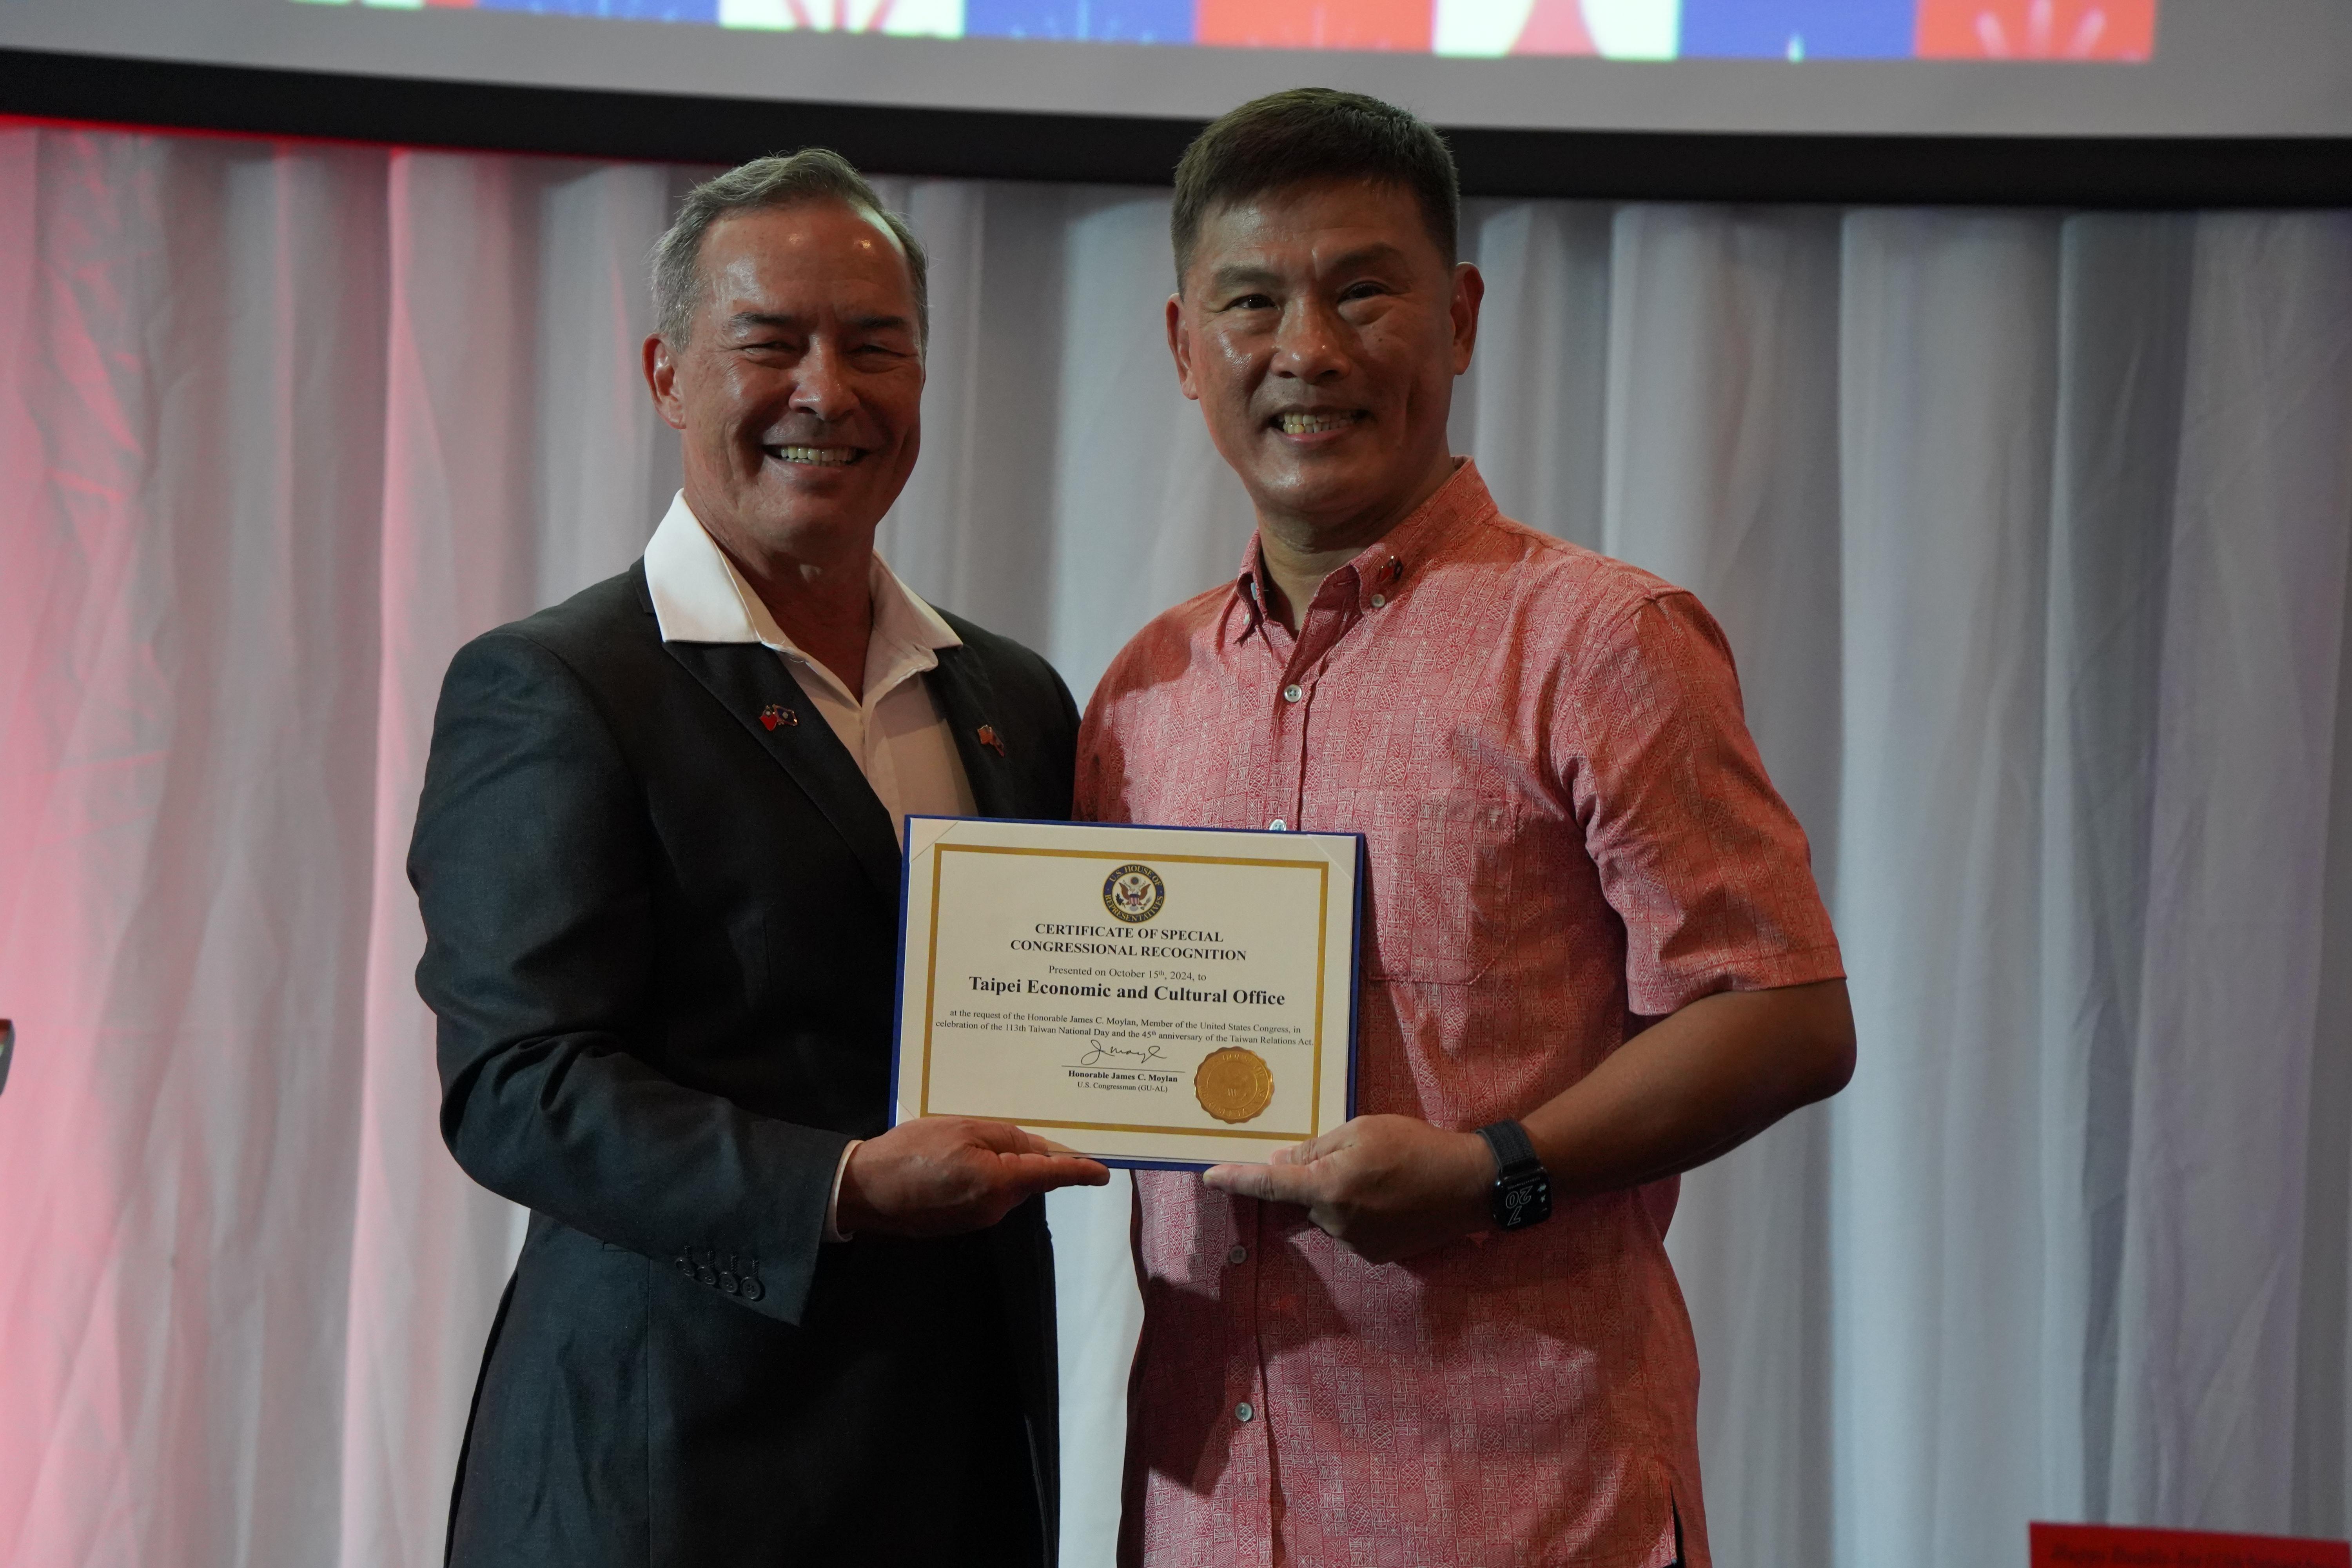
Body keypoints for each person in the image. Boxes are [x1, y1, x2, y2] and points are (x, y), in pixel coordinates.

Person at [1076, 89, 1857, 1568]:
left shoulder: (1601, 640)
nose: (1307, 349)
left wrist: (1493, 1169)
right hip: (1205, 1514)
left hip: (1520, 1509)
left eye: (1363, 290)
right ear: (1186, 349)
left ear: (1463, 317)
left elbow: (1784, 1012)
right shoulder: (1143, 690)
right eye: (1252, 301)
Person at [409, 149, 1108, 1568]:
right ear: (667, 372)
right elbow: (518, 1086)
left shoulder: (1014, 696)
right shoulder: (557, 685)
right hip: (669, 1472)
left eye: (874, 346)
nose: (825, 391)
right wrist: (840, 1184)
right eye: (769, 342)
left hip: (962, 1459)